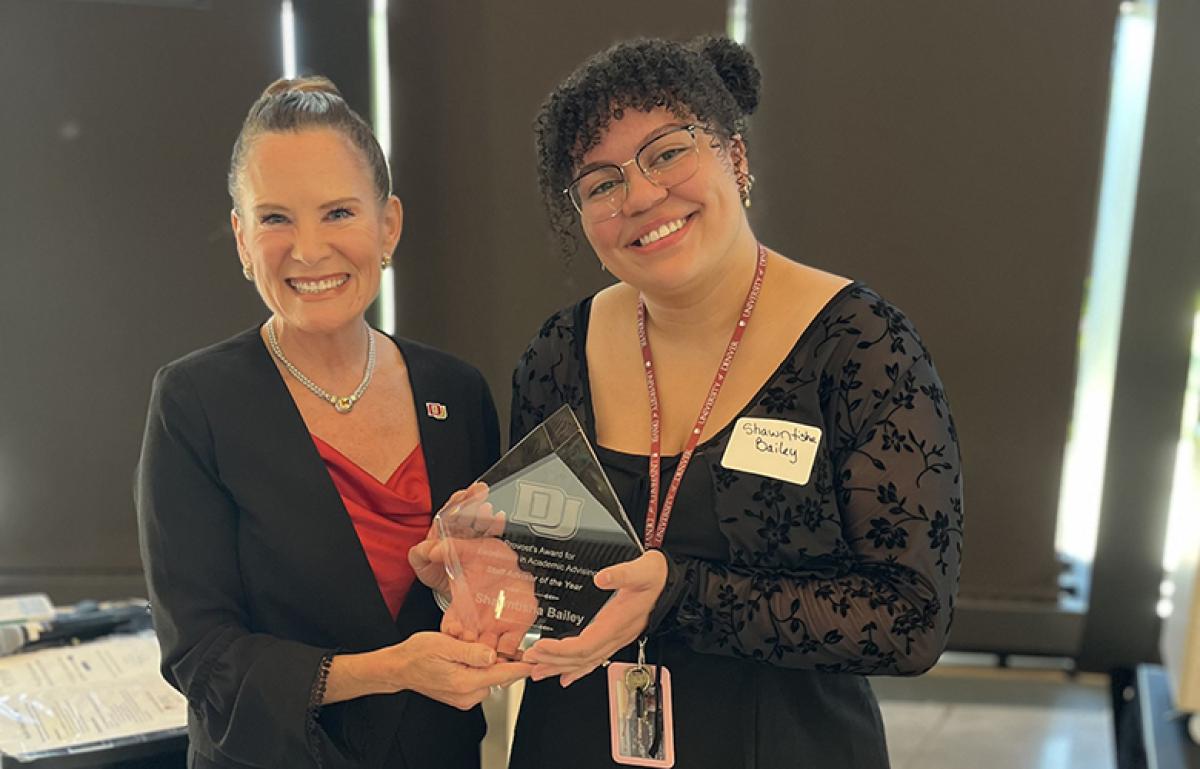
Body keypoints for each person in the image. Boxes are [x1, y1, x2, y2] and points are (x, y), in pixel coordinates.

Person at [505, 37, 964, 768]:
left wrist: (680, 593)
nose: (641, 197)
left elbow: (911, 619)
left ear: (736, 157)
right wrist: (477, 575)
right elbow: (550, 583)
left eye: (666, 152)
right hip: (577, 739)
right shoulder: (558, 354)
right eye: (600, 183)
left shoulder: (860, 347)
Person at [135, 76, 529, 769]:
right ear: (241, 238)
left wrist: (463, 587)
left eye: (340, 212)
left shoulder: (456, 392)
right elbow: (203, 658)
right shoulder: (195, 402)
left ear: (390, 226)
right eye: (276, 218)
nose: (309, 250)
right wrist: (390, 668)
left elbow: (486, 602)